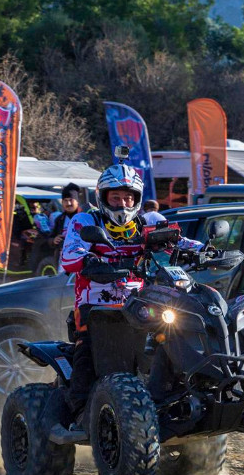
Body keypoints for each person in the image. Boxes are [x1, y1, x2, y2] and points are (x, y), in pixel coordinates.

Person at [58, 165, 203, 427]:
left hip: (142, 304)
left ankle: (179, 396)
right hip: (96, 306)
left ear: (136, 199)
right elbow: (69, 255)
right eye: (116, 197)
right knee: (87, 354)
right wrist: (91, 261)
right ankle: (79, 413)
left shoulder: (147, 222)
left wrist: (207, 251)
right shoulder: (87, 221)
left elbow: (180, 242)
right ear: (103, 197)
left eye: (128, 198)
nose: (123, 204)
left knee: (176, 332)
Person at [48, 183, 81, 251]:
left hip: (82, 254)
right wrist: (54, 240)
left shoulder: (85, 216)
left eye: (71, 200)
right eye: (65, 200)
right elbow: (50, 238)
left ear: (77, 202)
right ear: (62, 202)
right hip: (62, 255)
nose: (68, 203)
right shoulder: (59, 219)